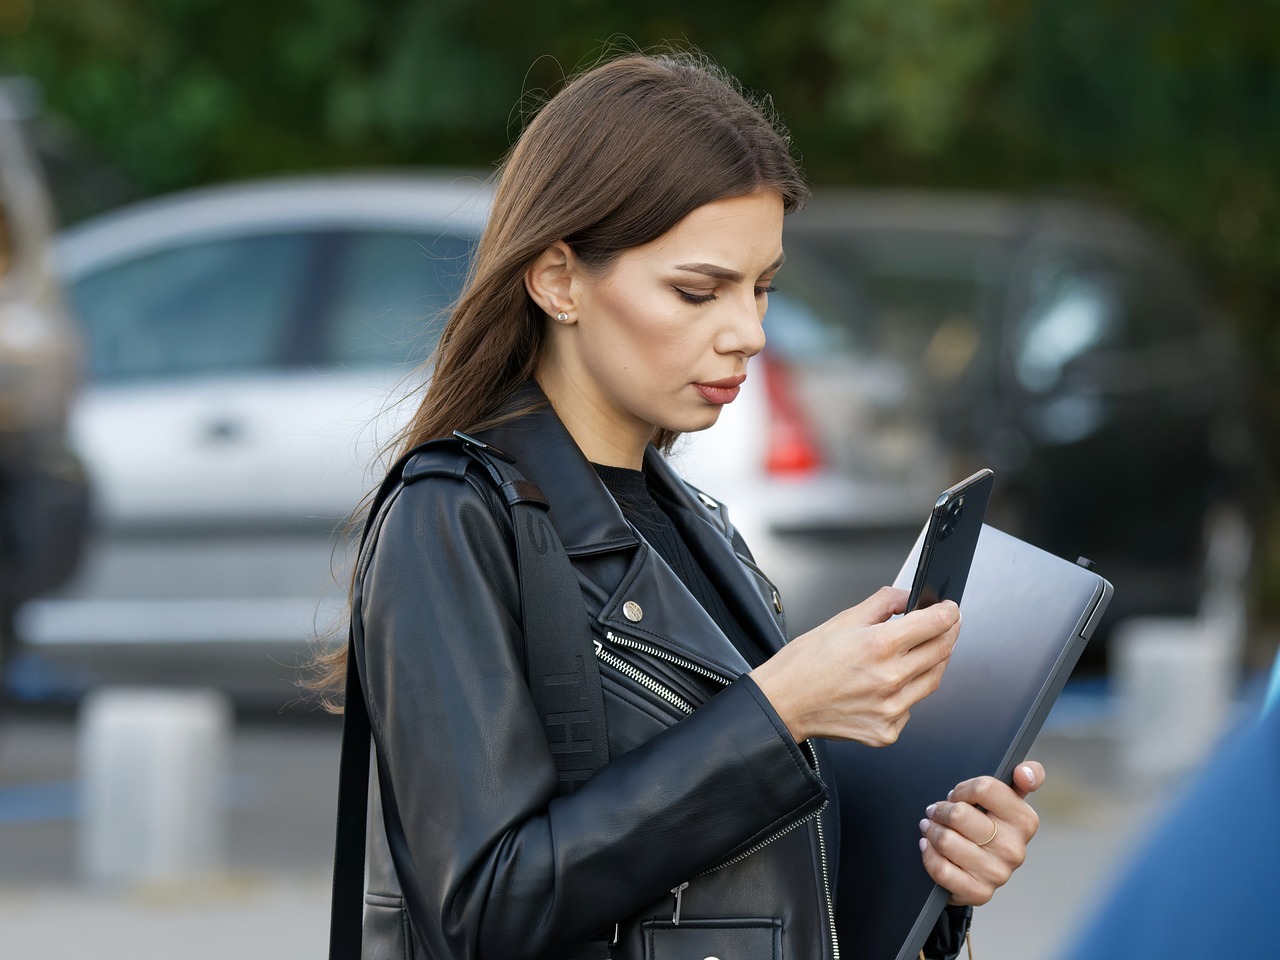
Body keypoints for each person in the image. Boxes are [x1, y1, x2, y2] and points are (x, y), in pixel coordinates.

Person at [317, 50, 1045, 960]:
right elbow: (481, 910)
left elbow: (747, 893)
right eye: (698, 291)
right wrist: (777, 714)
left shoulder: (700, 529)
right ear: (557, 280)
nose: (747, 332)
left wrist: (937, 873)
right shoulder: (452, 517)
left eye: (763, 287)